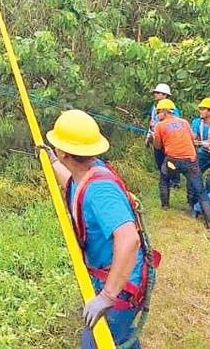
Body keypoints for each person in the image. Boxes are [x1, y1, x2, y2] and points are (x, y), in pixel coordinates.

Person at [45, 109, 154, 348]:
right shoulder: (87, 174)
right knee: (122, 338)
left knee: (99, 341)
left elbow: (129, 239)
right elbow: (76, 187)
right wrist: (52, 162)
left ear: (65, 152)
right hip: (111, 275)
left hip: (120, 284)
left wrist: (107, 296)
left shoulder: (101, 191)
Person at [152, 99, 210, 230]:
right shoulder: (184, 122)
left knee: (164, 178)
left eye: (159, 112)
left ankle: (165, 206)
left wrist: (153, 137)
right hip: (191, 161)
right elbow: (193, 138)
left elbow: (158, 146)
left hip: (173, 161)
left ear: (164, 112)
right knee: (200, 189)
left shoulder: (159, 126)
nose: (158, 114)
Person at [145, 83, 181, 189]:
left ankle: (175, 181)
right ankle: (165, 180)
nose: (155, 94)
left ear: (165, 95)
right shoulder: (154, 107)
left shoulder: (172, 109)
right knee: (159, 159)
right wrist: (148, 136)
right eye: (155, 92)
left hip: (168, 139)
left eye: (158, 93)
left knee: (170, 160)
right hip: (156, 137)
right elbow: (152, 122)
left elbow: (175, 124)